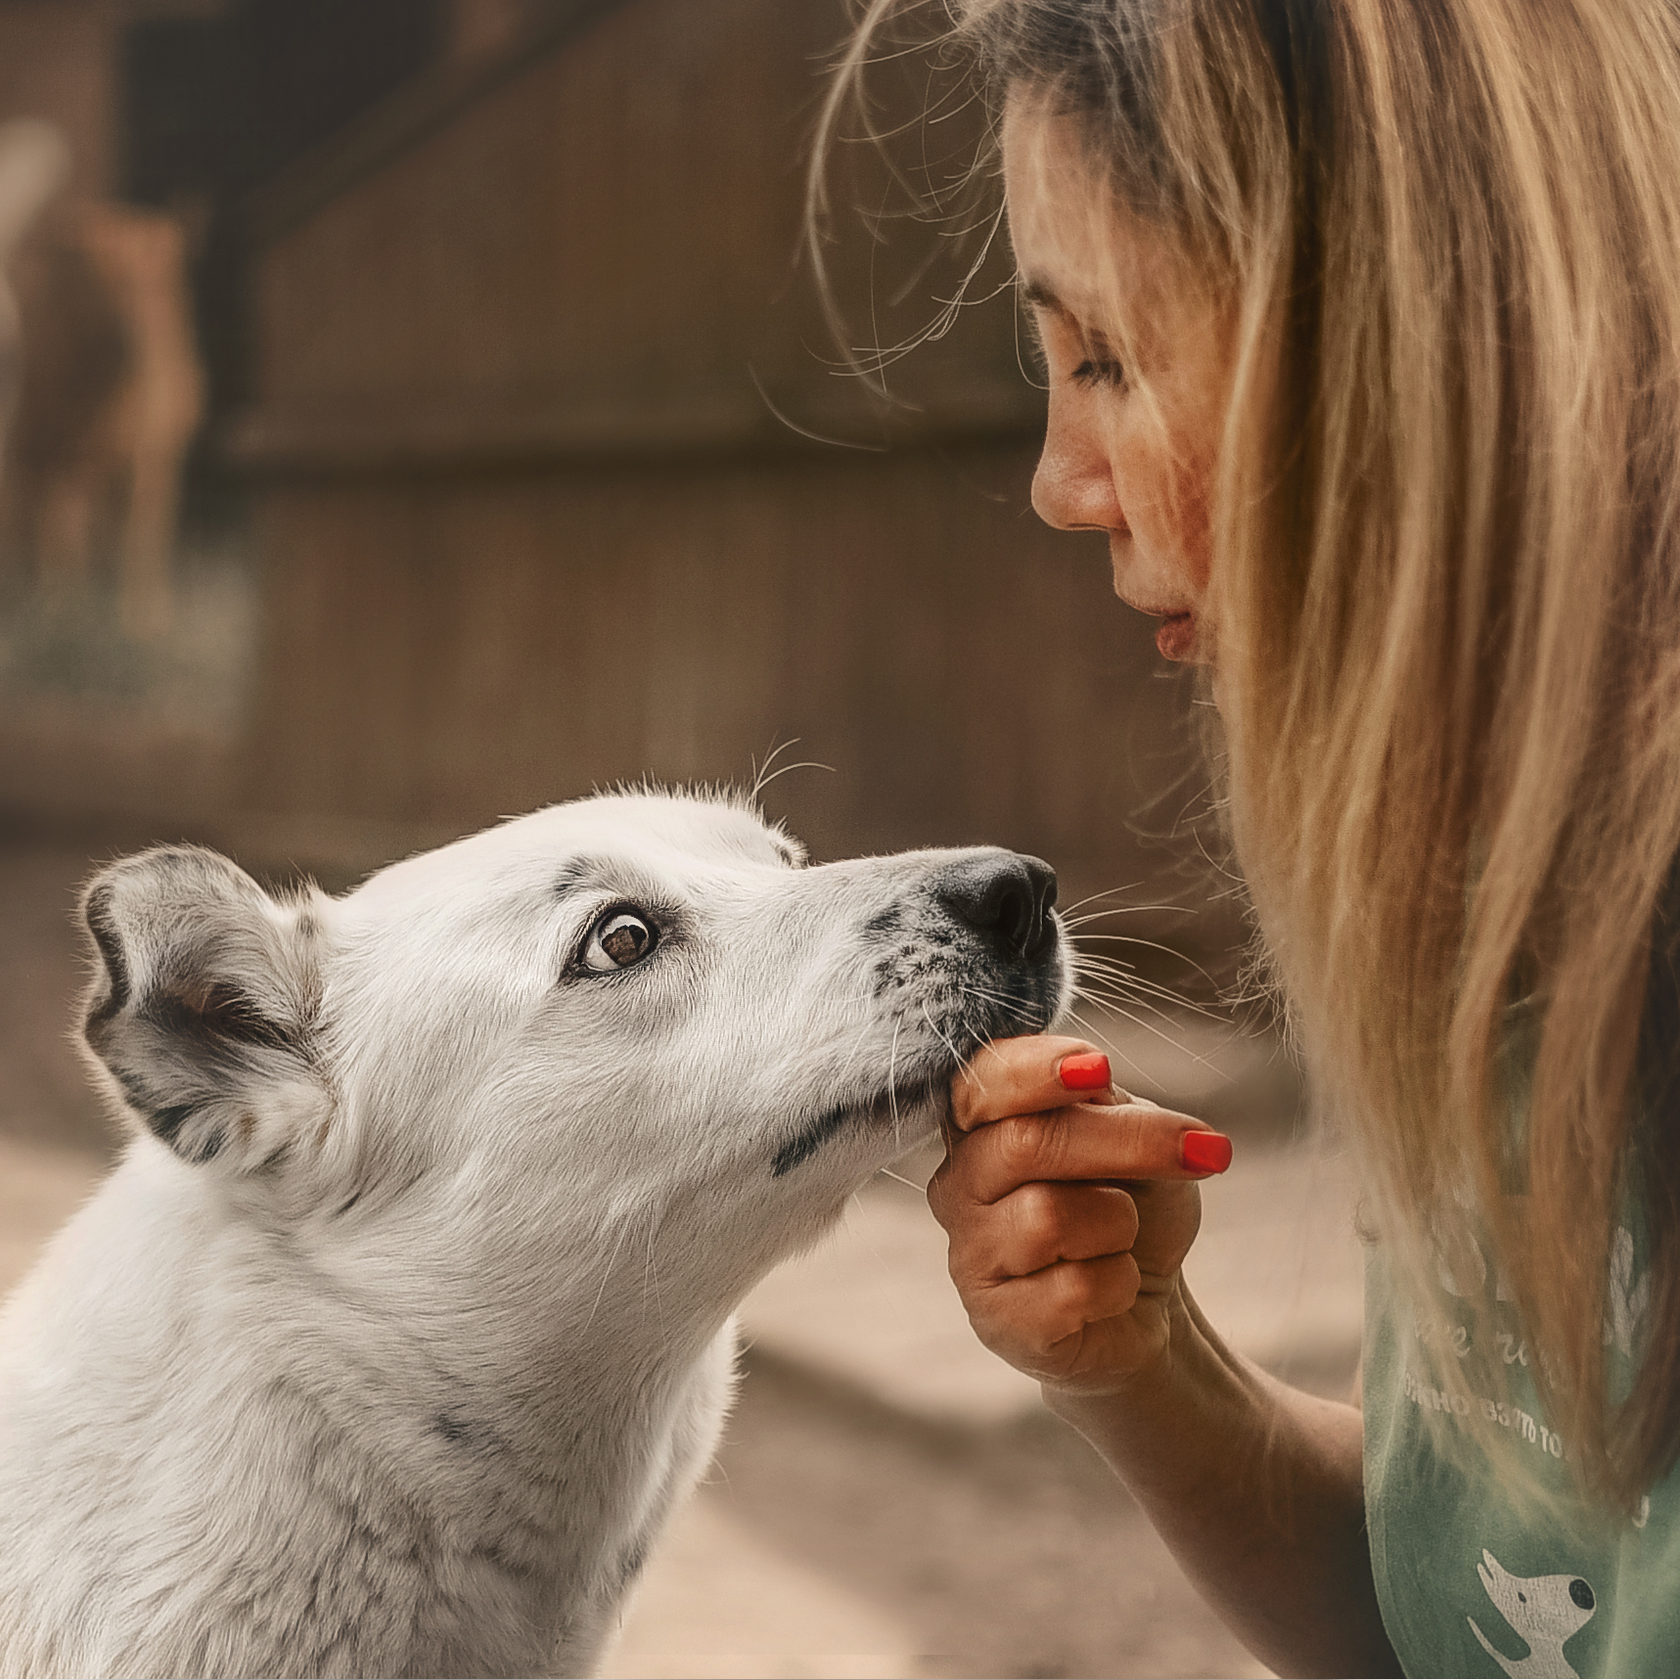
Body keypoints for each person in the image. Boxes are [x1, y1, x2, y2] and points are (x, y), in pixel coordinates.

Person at [819, 3, 1680, 1674]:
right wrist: (1147, 1367)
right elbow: (1505, 1614)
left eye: (1111, 359)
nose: (1065, 480)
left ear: (1424, 347)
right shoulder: (1507, 941)